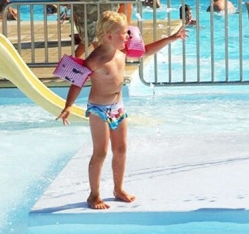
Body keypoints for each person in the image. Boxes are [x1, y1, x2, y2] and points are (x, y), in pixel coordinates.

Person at [57, 11, 188, 209]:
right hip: (99, 109)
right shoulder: (96, 59)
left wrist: (171, 38)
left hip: (118, 107)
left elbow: (145, 51)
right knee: (100, 152)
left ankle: (118, 189)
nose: (129, 36)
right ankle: (94, 195)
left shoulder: (122, 51)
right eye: (124, 33)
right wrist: (68, 106)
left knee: (121, 149)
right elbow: (77, 82)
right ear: (109, 36)